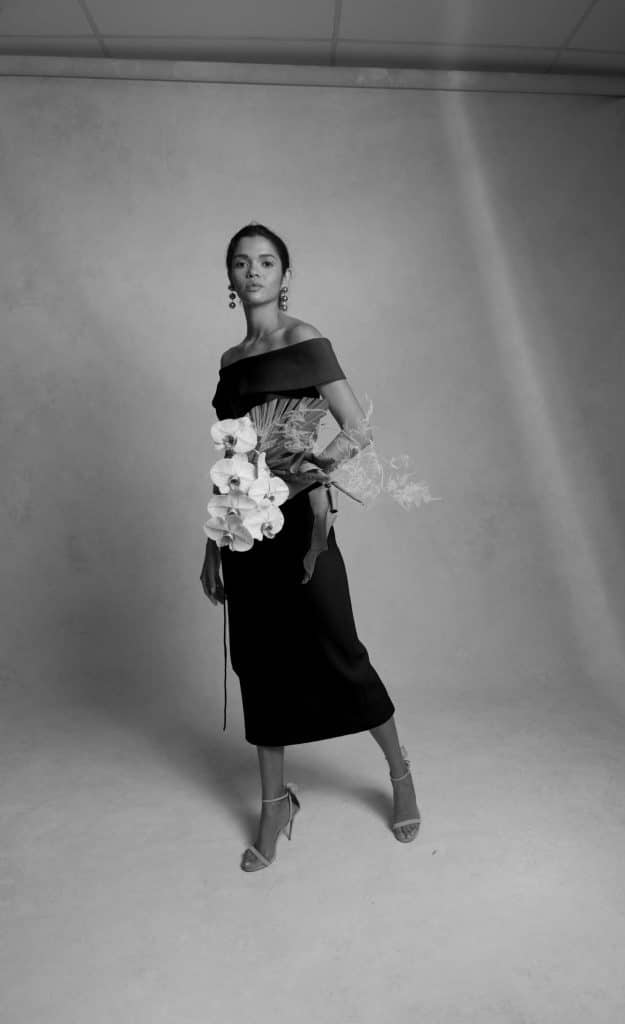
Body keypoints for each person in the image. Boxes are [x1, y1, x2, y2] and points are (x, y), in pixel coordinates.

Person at [200, 222, 421, 871]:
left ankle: (400, 773)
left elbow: (356, 429)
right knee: (258, 662)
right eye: (242, 262)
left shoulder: (305, 340)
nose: (254, 271)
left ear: (285, 275)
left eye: (266, 261)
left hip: (299, 522)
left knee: (338, 647)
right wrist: (212, 542)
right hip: (243, 529)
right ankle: (275, 805)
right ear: (230, 277)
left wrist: (309, 473)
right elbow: (231, 456)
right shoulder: (230, 361)